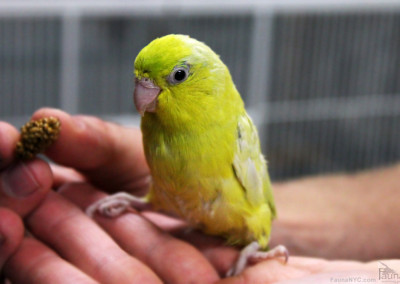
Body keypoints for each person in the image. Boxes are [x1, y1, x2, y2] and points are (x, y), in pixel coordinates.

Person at [0, 107, 399, 283]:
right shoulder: (156, 127)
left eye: (173, 77)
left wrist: (259, 243)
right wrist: (142, 200)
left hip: (246, 220)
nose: (146, 93)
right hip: (168, 206)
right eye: (143, 79)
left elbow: (259, 201)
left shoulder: (233, 129)